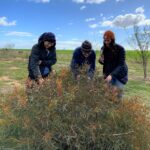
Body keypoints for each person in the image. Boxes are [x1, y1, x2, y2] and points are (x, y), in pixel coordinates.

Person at [99, 30, 128, 98]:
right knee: (107, 93)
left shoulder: (120, 49)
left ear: (112, 40)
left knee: (118, 95)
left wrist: (112, 75)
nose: (106, 42)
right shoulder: (103, 49)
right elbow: (105, 63)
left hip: (120, 75)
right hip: (108, 74)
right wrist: (101, 61)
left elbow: (121, 65)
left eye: (108, 40)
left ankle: (119, 107)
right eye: (105, 40)